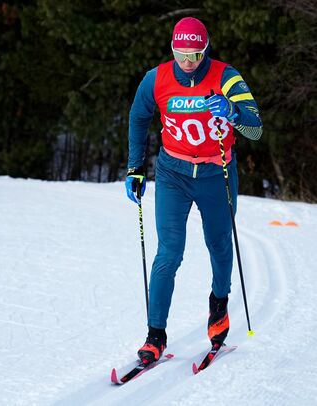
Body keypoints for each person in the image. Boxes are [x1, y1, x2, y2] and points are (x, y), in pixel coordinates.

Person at [125, 17, 262, 364]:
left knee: (218, 244)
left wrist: (231, 111)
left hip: (216, 173)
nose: (187, 62)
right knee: (169, 253)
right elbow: (138, 117)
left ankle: (218, 305)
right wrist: (135, 167)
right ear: (172, 48)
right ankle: (155, 335)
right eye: (181, 53)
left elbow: (256, 129)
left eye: (195, 54)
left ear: (206, 49)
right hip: (173, 172)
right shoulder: (155, 79)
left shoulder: (226, 76)